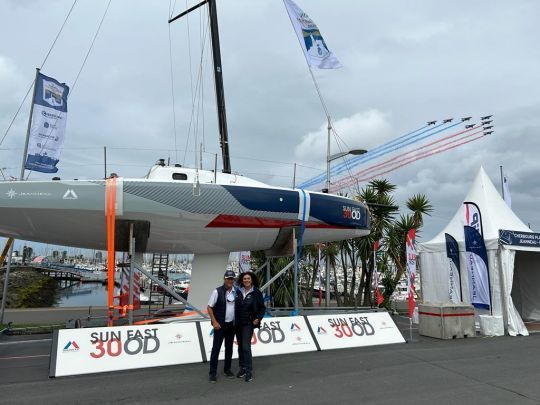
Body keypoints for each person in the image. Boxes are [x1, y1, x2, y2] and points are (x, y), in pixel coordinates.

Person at [235, 271, 266, 382]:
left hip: (248, 324)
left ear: (251, 280)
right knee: (240, 347)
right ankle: (242, 368)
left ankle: (249, 371)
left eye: (248, 278)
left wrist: (258, 318)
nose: (246, 280)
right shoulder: (238, 292)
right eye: (244, 279)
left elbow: (262, 308)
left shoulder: (256, 292)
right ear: (242, 281)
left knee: (246, 347)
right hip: (238, 324)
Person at [207, 270, 237, 383]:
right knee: (216, 349)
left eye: (232, 279)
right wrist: (214, 322)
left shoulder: (236, 292)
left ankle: (227, 369)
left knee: (229, 349)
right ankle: (212, 373)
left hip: (231, 325)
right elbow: (209, 307)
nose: (230, 281)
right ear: (224, 279)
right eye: (228, 278)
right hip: (220, 326)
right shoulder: (217, 291)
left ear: (234, 280)